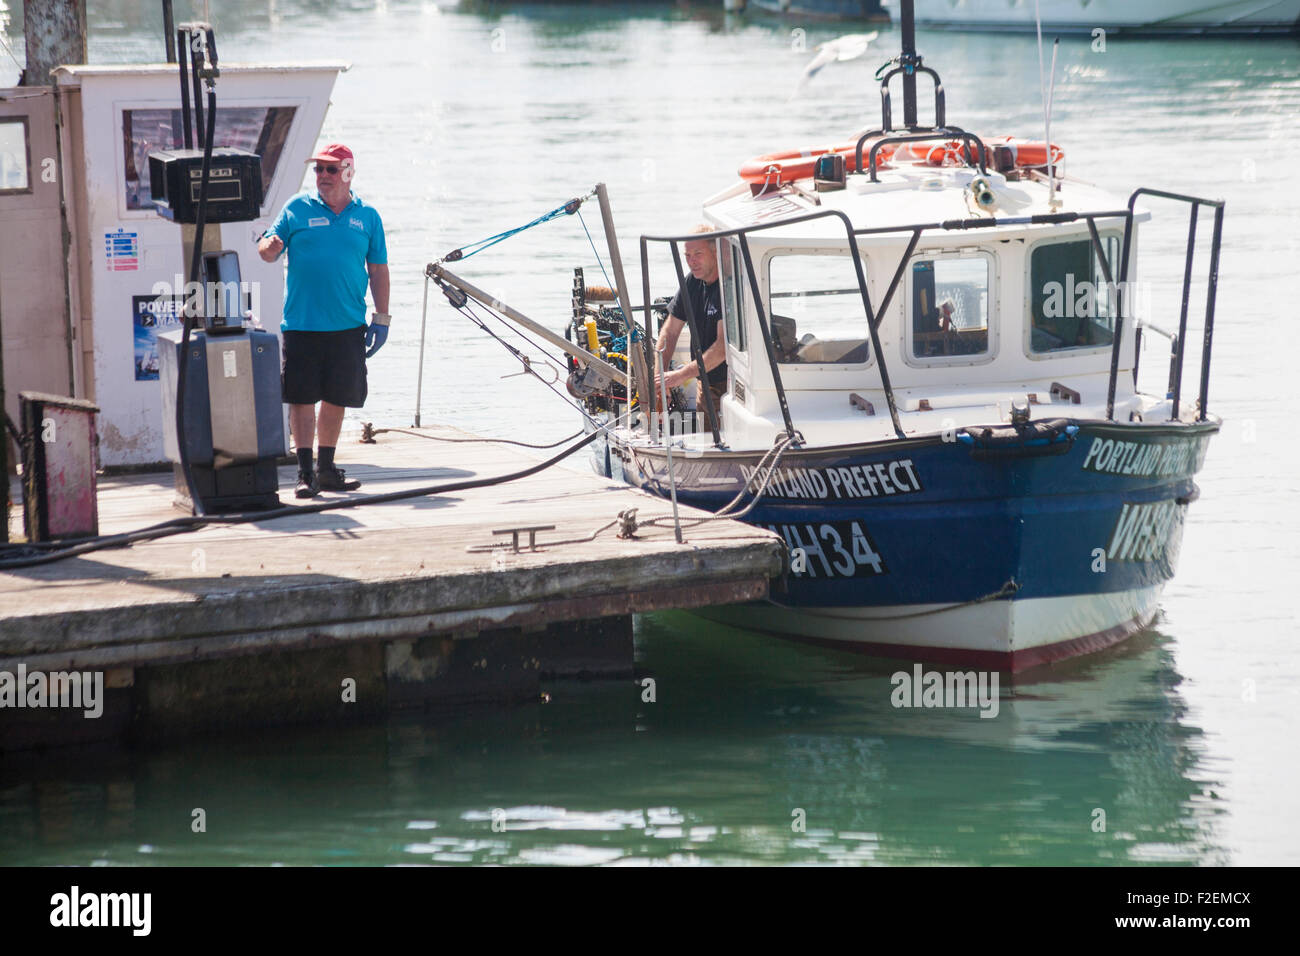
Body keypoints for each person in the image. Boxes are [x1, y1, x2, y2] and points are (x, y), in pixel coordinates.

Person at [257, 143, 390, 498]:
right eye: (318, 169)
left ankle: (327, 469)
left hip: (348, 324)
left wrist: (382, 318)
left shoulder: (368, 216)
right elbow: (267, 247)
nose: (323, 176)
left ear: (348, 172)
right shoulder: (297, 207)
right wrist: (269, 247)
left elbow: (378, 269)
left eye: (331, 169)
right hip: (302, 324)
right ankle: (304, 474)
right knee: (302, 398)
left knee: (337, 397)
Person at [655, 227, 727, 431]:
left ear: (715, 252)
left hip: (731, 387)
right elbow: (670, 331)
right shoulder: (692, 282)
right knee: (709, 441)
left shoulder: (728, 286)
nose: (691, 261)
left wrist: (678, 376)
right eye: (687, 255)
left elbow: (722, 348)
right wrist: (660, 378)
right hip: (705, 386)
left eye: (698, 254)